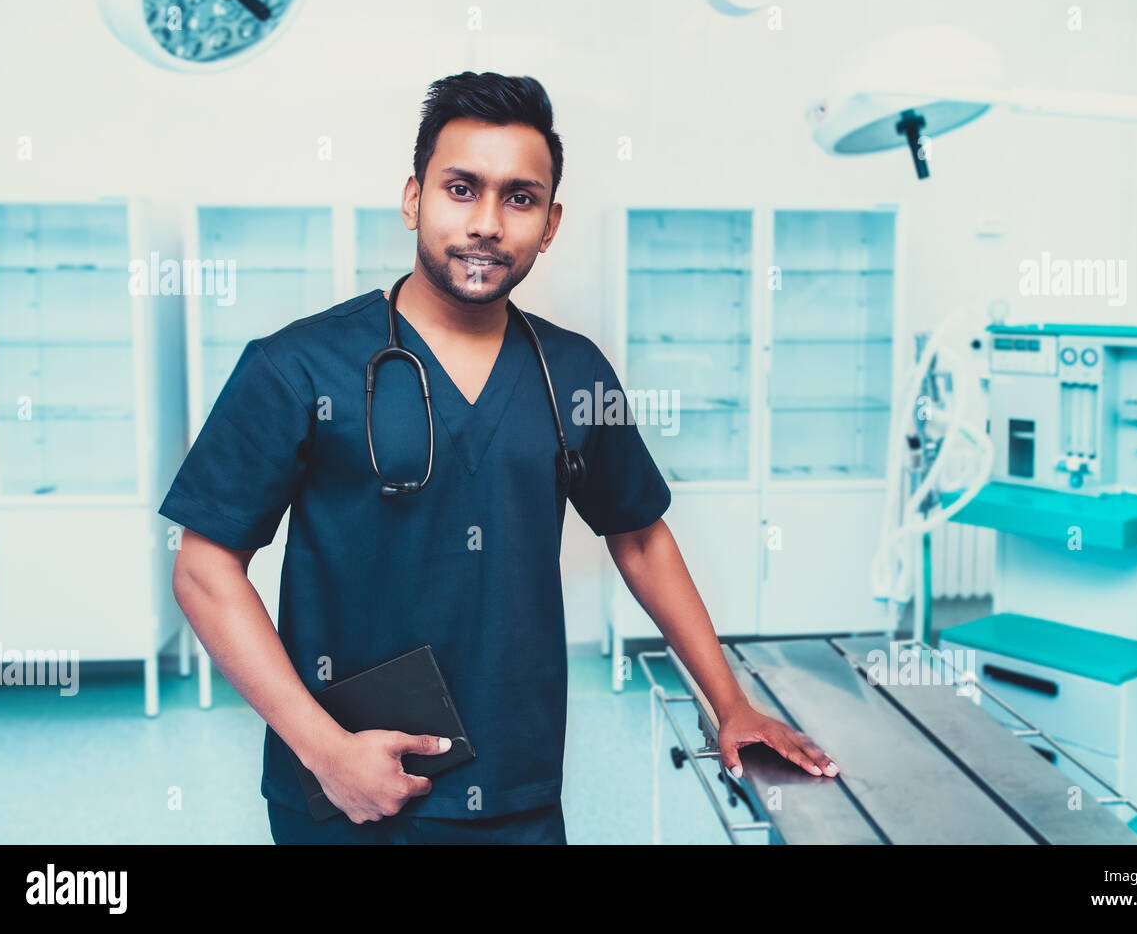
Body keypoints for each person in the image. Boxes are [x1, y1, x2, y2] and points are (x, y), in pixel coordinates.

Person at [162, 71, 838, 845]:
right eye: (461, 188)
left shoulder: (574, 372)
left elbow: (641, 536)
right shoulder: (296, 367)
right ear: (414, 199)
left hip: (514, 786)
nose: (487, 222)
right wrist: (323, 751)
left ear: (549, 224)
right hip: (346, 787)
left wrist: (731, 703)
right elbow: (204, 567)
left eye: (519, 198)